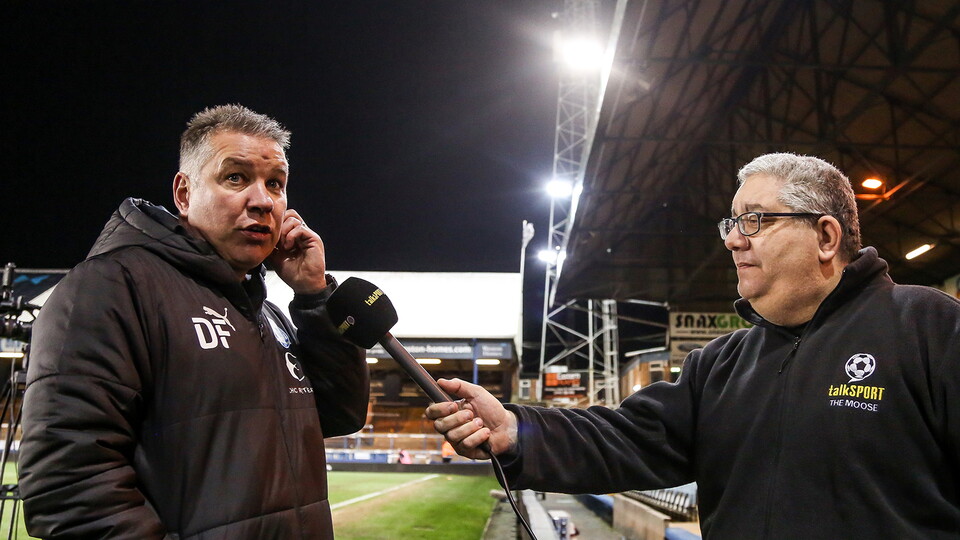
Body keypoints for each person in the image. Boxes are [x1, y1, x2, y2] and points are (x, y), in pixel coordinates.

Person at [427, 153, 960, 539]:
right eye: (732, 223)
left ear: (826, 237)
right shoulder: (721, 365)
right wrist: (514, 429)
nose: (733, 239)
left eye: (756, 220)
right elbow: (624, 437)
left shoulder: (927, 326)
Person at [18, 104, 370, 539]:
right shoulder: (111, 287)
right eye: (235, 177)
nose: (262, 200)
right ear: (184, 194)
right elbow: (70, 488)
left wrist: (315, 295)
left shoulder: (269, 314)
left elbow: (341, 414)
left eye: (275, 184)